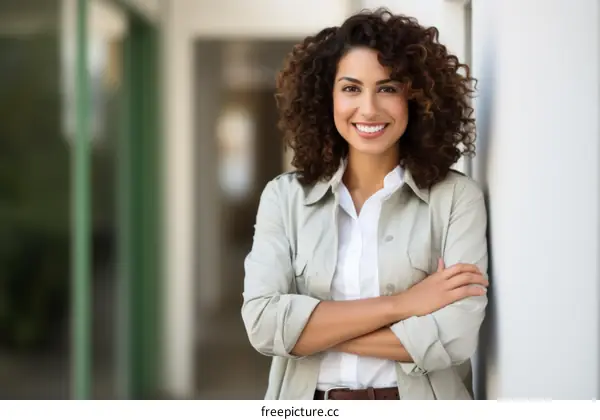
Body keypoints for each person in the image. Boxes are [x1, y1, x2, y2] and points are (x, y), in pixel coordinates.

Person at [241, 8, 489, 400]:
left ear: (417, 97)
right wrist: (404, 304)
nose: (369, 108)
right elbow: (262, 324)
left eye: (388, 87)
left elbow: (453, 338)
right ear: (328, 97)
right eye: (351, 88)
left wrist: (310, 333)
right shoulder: (283, 198)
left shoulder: (456, 200)